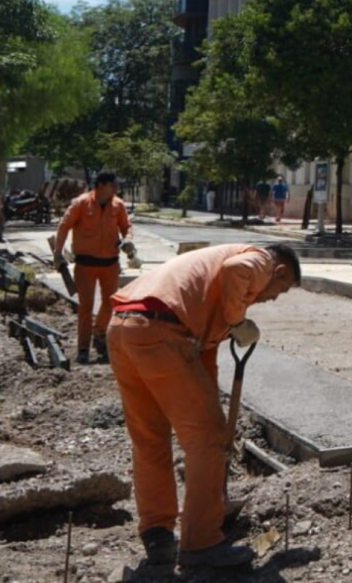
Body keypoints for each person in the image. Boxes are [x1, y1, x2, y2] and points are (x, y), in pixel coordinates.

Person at [108, 243, 301, 568]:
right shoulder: (262, 259)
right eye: (279, 291)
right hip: (161, 332)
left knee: (150, 439)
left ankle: (157, 534)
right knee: (207, 440)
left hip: (124, 329)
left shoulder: (207, 290)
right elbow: (236, 271)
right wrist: (238, 322)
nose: (270, 299)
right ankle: (201, 544)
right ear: (279, 272)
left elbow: (201, 361)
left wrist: (215, 410)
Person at [54, 171, 133, 366]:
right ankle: (83, 349)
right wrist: (57, 253)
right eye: (113, 185)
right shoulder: (81, 204)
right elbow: (64, 226)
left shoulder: (118, 205)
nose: (116, 189)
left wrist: (128, 240)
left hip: (110, 264)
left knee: (111, 303)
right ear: (101, 185)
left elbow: (126, 227)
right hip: (85, 265)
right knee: (86, 308)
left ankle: (100, 333)